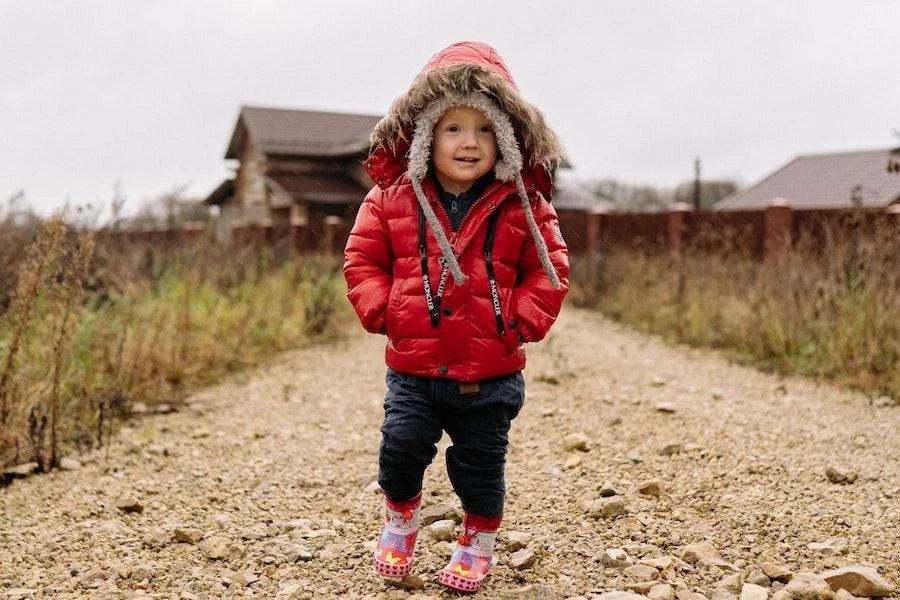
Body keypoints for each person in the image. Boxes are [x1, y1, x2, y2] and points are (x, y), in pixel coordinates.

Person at [343, 41, 569, 593]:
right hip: (414, 368)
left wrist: (520, 320)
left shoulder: (525, 205)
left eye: (485, 129)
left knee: (480, 467)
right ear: (424, 134)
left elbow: (551, 269)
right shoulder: (391, 199)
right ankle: (400, 519)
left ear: (508, 139)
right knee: (400, 448)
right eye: (453, 128)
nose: (469, 142)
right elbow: (362, 259)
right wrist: (386, 309)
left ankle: (477, 539)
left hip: (491, 373)